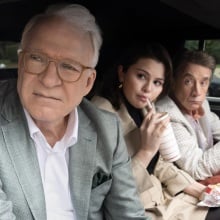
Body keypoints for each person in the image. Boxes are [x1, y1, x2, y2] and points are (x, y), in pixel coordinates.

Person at [0, 3, 150, 220]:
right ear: (21, 62)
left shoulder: (107, 130)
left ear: (88, 83)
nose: (49, 80)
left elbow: (129, 214)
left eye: (69, 67)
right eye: (37, 58)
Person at [91, 42, 215, 220]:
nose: (148, 89)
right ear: (122, 73)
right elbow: (109, 191)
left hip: (164, 198)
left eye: (157, 82)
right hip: (138, 208)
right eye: (141, 76)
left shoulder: (147, 109)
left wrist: (199, 189)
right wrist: (146, 151)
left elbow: (160, 164)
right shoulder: (102, 115)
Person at [155, 49, 220, 182]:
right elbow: (196, 168)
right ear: (173, 81)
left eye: (203, 83)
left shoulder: (203, 105)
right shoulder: (167, 115)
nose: (197, 92)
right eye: (188, 81)